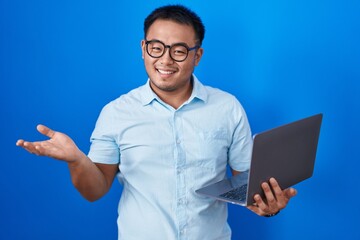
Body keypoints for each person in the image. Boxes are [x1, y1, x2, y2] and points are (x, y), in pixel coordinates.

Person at [16, 4, 297, 240]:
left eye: (178, 51)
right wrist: (76, 159)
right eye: (156, 47)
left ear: (197, 55)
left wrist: (268, 205)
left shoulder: (227, 107)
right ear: (143, 48)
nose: (165, 60)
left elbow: (247, 182)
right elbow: (95, 190)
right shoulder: (116, 112)